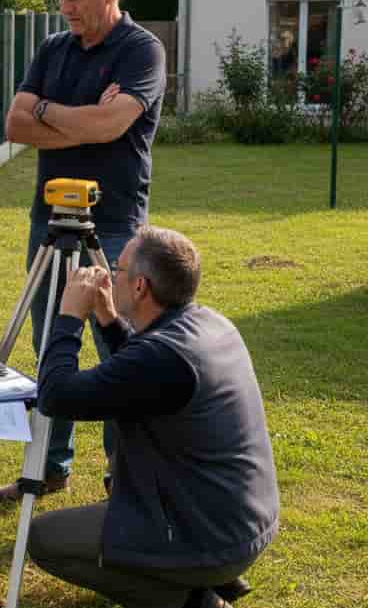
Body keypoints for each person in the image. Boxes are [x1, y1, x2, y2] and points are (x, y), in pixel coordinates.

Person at [25, 226, 279, 608]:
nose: (110, 275)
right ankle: (200, 573)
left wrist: (69, 317)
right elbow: (143, 372)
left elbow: (57, 396)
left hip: (214, 536)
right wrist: (109, 320)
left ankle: (196, 600)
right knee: (118, 479)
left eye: (118, 269)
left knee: (45, 538)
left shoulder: (161, 357)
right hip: (243, 520)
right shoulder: (207, 323)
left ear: (141, 286)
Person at [0, 0, 166, 500]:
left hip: (114, 225)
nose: (65, 8)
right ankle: (49, 466)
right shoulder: (53, 48)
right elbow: (15, 126)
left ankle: (125, 479)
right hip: (50, 221)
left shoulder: (142, 51)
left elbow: (110, 127)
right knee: (51, 346)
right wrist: (84, 119)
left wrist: (49, 112)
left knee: (122, 352)